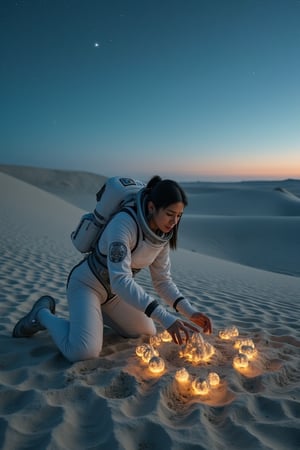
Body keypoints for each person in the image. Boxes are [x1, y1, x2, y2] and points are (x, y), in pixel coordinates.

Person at [12, 175, 212, 362]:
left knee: (147, 333)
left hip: (115, 296)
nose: (174, 222)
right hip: (87, 285)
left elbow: (162, 281)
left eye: (179, 216)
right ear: (151, 207)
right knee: (84, 351)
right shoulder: (124, 224)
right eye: (170, 214)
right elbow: (121, 280)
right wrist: (166, 317)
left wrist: (190, 312)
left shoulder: (161, 236)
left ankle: (92, 318)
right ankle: (42, 314)